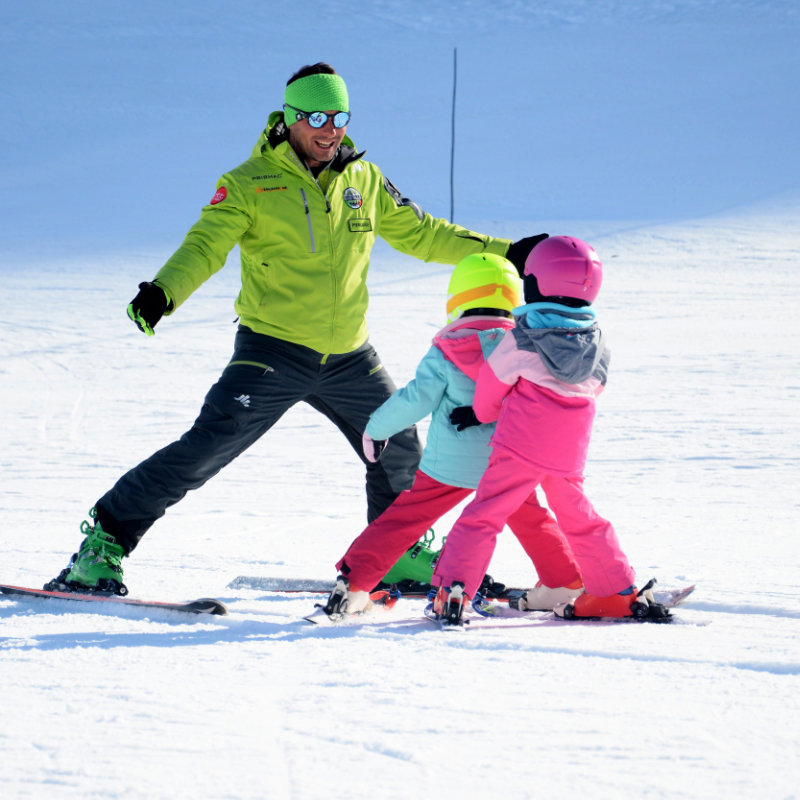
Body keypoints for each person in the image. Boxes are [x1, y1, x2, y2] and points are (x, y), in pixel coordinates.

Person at [45, 62, 549, 595]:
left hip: (350, 356)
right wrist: (164, 290)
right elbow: (205, 245)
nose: (329, 129)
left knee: (399, 447)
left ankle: (397, 554)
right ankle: (102, 546)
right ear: (289, 119)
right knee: (208, 446)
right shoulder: (247, 184)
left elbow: (424, 235)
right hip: (273, 351)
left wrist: (506, 252)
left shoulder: (365, 178)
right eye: (315, 116)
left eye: (339, 115)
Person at [321, 252, 582, 617]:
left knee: (404, 518)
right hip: (509, 459)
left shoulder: (447, 350)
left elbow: (415, 399)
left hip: (449, 464)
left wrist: (377, 427)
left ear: (458, 297)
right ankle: (563, 581)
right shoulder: (525, 347)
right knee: (532, 518)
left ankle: (355, 585)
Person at [430, 236, 653, 624]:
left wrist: (482, 414)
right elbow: (596, 387)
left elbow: (489, 389)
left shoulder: (524, 338)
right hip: (568, 453)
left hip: (519, 447)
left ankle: (454, 591)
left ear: (534, 284)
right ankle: (615, 591)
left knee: (484, 515)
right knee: (581, 519)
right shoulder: (598, 345)